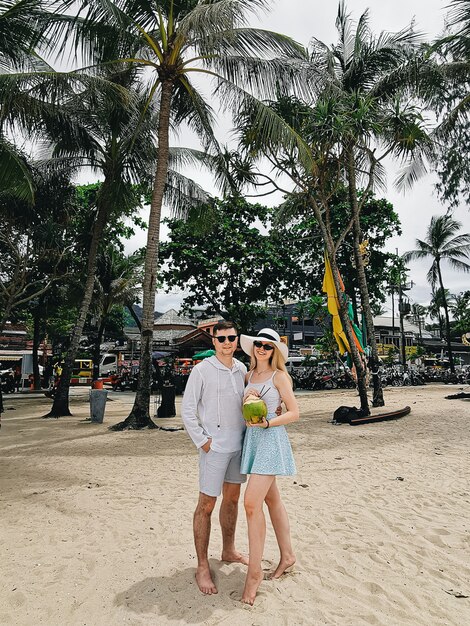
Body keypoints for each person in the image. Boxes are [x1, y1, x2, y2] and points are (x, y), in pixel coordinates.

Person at [182, 321, 248, 595]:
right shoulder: (202, 370)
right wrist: (204, 442)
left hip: (239, 445)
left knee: (232, 499)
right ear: (214, 341)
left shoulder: (242, 369)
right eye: (222, 338)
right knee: (206, 505)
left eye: (231, 337)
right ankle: (201, 566)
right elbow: (187, 410)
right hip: (214, 448)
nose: (227, 342)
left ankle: (228, 549)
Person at [239, 328, 299, 605]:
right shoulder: (248, 376)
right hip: (253, 440)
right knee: (272, 501)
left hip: (270, 440)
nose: (262, 349)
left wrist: (267, 422)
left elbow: (294, 412)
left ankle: (254, 573)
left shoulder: (279, 376)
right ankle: (287, 555)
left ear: (274, 351)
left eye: (267, 346)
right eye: (258, 345)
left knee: (251, 504)